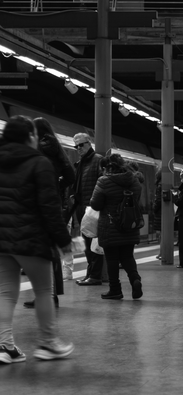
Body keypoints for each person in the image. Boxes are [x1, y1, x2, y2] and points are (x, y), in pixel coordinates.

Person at [0, 116, 75, 362]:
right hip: (32, 239)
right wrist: (64, 241)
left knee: (5, 294)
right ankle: (48, 343)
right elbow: (50, 209)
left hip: (2, 240)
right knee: (44, 291)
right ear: (30, 137)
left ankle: (4, 346)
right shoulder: (40, 163)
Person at [23, 118, 76, 309]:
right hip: (53, 203)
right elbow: (71, 175)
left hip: (36, 204)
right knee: (49, 251)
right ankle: (50, 295)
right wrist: (56, 187)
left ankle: (44, 296)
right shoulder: (58, 150)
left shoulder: (36, 149)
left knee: (38, 252)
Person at [88, 152, 143, 300]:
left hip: (110, 225)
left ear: (107, 167)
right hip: (129, 225)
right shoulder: (134, 180)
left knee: (112, 259)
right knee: (127, 256)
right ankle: (135, 279)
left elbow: (95, 204)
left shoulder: (104, 181)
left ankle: (115, 290)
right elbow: (136, 199)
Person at [72, 133, 105, 286]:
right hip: (82, 207)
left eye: (81, 144)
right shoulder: (81, 163)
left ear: (89, 143)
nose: (79, 148)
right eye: (76, 146)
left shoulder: (97, 160)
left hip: (92, 209)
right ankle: (91, 273)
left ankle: (95, 275)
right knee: (87, 244)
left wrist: (95, 204)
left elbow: (102, 183)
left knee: (93, 244)